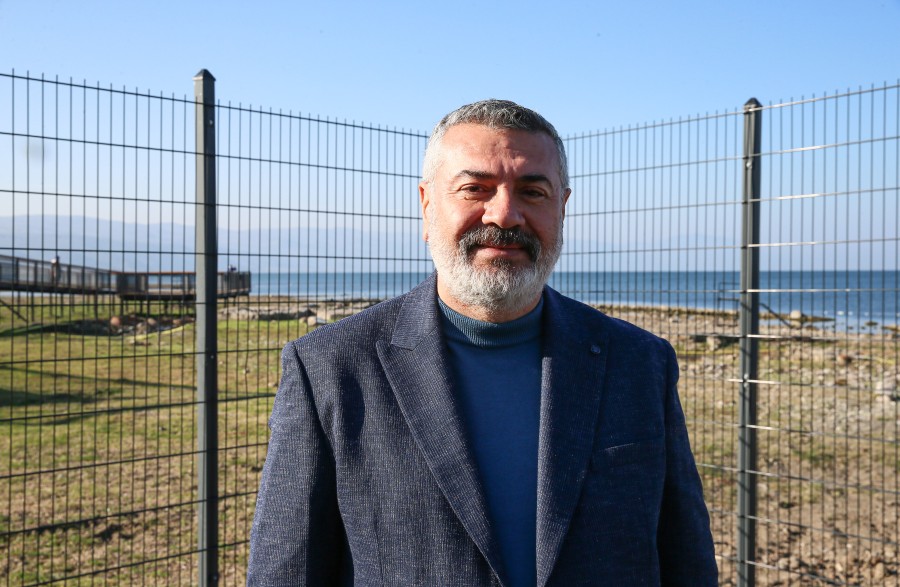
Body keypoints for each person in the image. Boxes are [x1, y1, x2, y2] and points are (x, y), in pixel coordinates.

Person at [248, 100, 717, 586]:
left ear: (562, 208)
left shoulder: (640, 363)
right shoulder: (330, 368)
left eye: (533, 191)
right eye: (475, 188)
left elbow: (687, 560)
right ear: (427, 205)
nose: (506, 215)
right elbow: (287, 572)